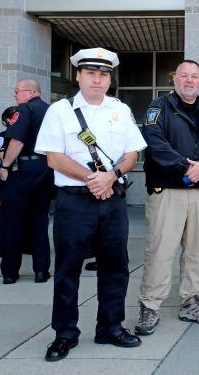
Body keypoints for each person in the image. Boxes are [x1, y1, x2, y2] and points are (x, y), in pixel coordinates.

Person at [35, 48, 147, 361]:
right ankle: (65, 334)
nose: (97, 80)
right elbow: (53, 156)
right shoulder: (61, 111)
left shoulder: (120, 109)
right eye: (91, 74)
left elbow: (132, 154)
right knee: (68, 269)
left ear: (110, 78)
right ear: (79, 76)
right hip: (74, 201)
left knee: (115, 268)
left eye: (103, 74)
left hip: (112, 200)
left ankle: (110, 327)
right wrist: (91, 178)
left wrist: (110, 176)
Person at [135, 60, 199, 335]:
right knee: (161, 251)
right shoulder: (159, 107)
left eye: (194, 77)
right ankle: (150, 306)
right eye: (184, 76)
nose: (189, 81)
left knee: (197, 250)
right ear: (174, 79)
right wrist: (184, 166)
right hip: (168, 192)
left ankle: (191, 301)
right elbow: (153, 141)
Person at [0, 79, 55, 285]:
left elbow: (17, 141)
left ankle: (10, 272)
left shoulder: (23, 109)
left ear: (30, 92)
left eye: (17, 91)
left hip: (24, 171)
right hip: (47, 170)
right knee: (39, 221)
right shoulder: (51, 111)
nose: (15, 95)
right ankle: (41, 271)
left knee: (13, 221)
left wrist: (5, 166)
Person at [85, 76, 118, 273]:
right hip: (96, 180)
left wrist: (110, 177)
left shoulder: (120, 111)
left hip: (112, 180)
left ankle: (103, 257)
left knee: (107, 227)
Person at [0, 106, 17, 258]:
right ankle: (3, 248)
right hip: (8, 177)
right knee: (6, 214)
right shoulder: (3, 135)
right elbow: (3, 158)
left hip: (23, 177)